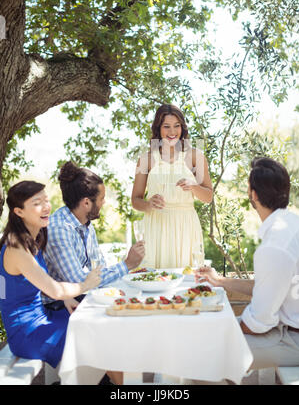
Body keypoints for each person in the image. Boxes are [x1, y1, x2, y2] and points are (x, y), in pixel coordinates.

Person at [196, 157, 299, 369]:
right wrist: (220, 281)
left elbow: (260, 323)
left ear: (253, 195)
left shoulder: (274, 246)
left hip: (293, 340)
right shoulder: (291, 224)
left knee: (201, 354)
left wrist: (226, 327)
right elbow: (270, 287)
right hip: (288, 331)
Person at [0, 180, 100, 369]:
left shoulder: (32, 239)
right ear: (18, 212)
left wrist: (65, 300)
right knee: (93, 334)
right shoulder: (16, 247)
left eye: (46, 200)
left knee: (96, 322)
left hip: (43, 317)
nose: (46, 207)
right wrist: (85, 285)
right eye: (37, 203)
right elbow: (55, 289)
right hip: (28, 333)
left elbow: (32, 285)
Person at [44, 161, 145, 303]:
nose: (104, 203)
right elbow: (80, 283)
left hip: (83, 298)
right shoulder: (59, 229)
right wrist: (126, 264)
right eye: (101, 198)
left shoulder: (86, 225)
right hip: (60, 305)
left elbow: (98, 269)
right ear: (86, 203)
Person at [131, 103, 213, 269]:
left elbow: (208, 197)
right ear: (158, 129)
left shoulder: (196, 156)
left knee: (187, 280)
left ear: (182, 128)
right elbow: (135, 200)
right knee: (154, 280)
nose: (172, 132)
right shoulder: (146, 159)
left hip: (186, 227)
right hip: (156, 226)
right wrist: (148, 204)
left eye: (177, 126)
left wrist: (194, 186)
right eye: (166, 126)